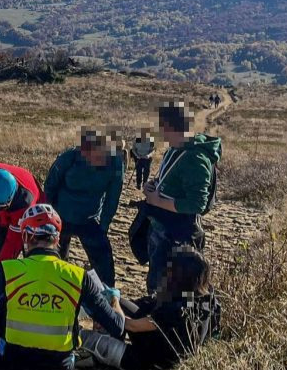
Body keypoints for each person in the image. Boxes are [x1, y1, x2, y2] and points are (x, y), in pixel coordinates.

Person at [0, 204, 125, 370]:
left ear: (26, 236)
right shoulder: (79, 277)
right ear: (57, 239)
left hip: (13, 361)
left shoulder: (8, 270)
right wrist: (114, 299)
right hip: (59, 364)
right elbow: (116, 326)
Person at [81, 246, 220, 369]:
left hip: (157, 363)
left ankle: (99, 357)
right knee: (121, 305)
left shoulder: (176, 311)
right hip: (173, 348)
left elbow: (130, 325)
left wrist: (114, 300)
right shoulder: (206, 298)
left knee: (94, 334)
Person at [142, 102, 221, 294]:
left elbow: (197, 204)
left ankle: (161, 321)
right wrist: (154, 186)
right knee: (156, 280)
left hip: (179, 234)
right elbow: (171, 181)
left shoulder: (196, 158)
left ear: (170, 127)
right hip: (163, 227)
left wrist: (157, 201)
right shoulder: (175, 148)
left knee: (172, 287)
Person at [43, 130, 124, 288]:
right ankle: (54, 286)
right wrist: (49, 217)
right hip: (62, 215)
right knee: (55, 256)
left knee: (103, 261)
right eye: (90, 155)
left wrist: (104, 225)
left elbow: (112, 199)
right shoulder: (69, 158)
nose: (95, 160)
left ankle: (107, 294)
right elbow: (50, 186)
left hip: (90, 217)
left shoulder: (115, 163)